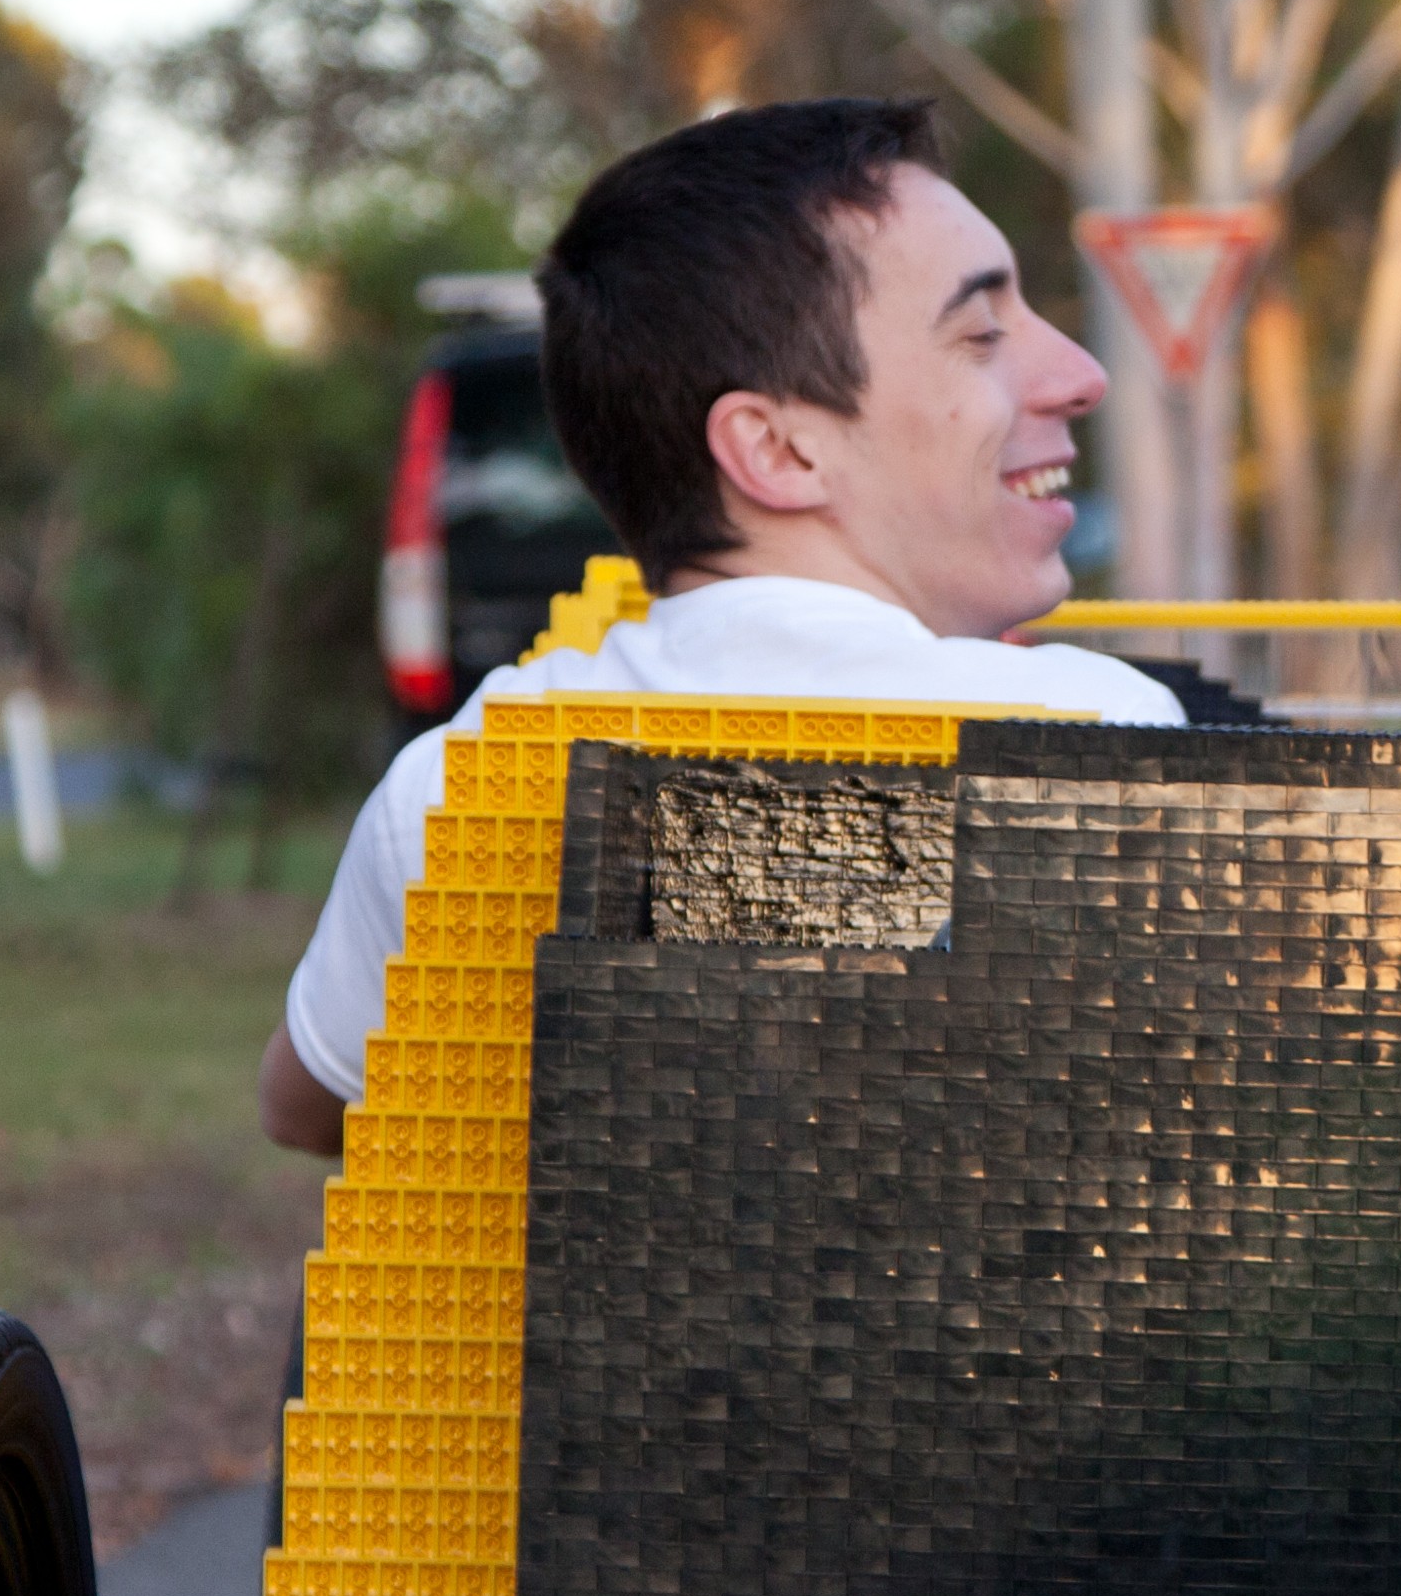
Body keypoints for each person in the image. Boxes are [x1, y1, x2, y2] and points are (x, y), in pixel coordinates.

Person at [260, 96, 1179, 1156]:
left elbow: (306, 1107)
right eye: (980, 335)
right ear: (778, 450)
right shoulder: (1099, 742)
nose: (1080, 374)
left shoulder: (464, 785)